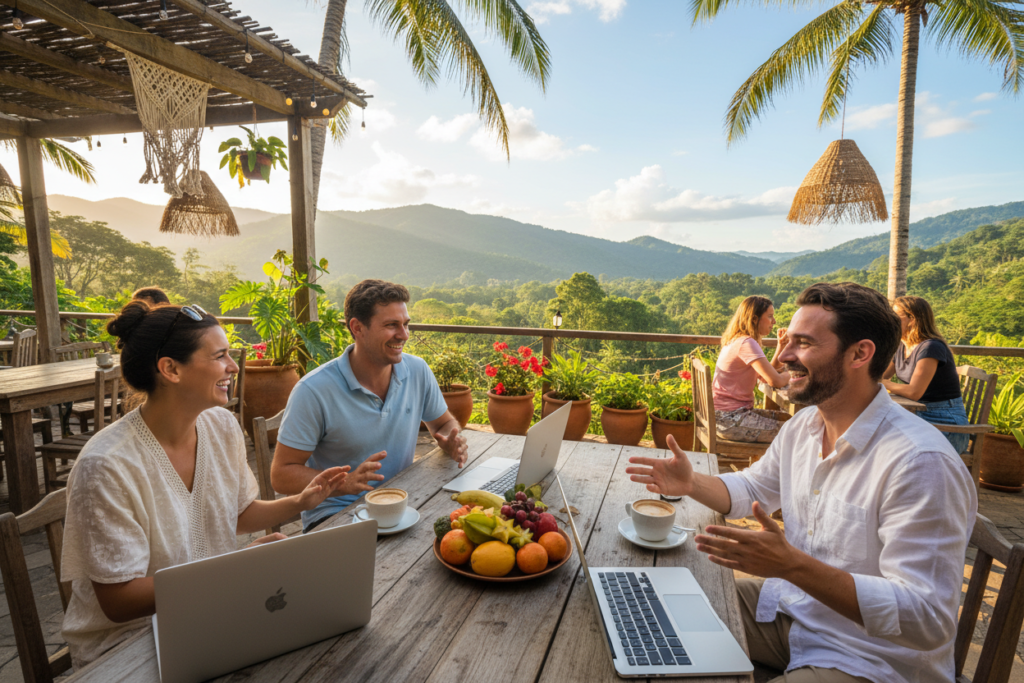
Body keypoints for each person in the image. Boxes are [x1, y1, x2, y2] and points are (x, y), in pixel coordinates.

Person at [626, 282, 977, 683]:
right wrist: (692, 483)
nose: (784, 355)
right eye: (786, 339)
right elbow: (754, 490)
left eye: (804, 343)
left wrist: (792, 566)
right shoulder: (805, 426)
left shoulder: (919, 463)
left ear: (860, 353)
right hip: (794, 613)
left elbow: (926, 618)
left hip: (869, 659)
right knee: (652, 606)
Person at [60, 302, 347, 669]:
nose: (233, 366)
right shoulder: (106, 466)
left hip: (213, 612)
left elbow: (238, 514)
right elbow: (120, 602)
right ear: (170, 369)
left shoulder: (220, 426)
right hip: (127, 644)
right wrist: (240, 569)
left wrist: (302, 501)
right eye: (220, 356)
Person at [272, 279, 469, 533]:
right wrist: (343, 482)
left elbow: (443, 423)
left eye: (406, 324)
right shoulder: (313, 391)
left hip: (402, 505)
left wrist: (451, 439)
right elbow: (281, 475)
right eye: (391, 325)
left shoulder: (417, 370)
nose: (404, 334)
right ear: (357, 328)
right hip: (336, 515)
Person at [881, 295, 970, 454]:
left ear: (912, 319)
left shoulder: (931, 347)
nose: (890, 320)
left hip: (945, 424)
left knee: (884, 441)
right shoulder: (902, 346)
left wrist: (882, 382)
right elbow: (881, 375)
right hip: (920, 416)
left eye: (894, 316)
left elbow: (914, 392)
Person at [712, 295, 791, 443]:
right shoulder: (746, 343)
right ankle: (776, 466)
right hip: (730, 420)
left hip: (724, 416)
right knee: (796, 432)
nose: (774, 321)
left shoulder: (737, 339)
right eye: (770, 316)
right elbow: (776, 381)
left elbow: (767, 374)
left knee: (797, 421)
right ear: (754, 319)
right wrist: (797, 373)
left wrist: (780, 346)